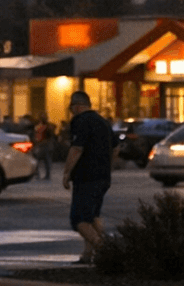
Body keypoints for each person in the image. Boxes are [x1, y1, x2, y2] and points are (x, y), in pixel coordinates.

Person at [61, 90, 116, 264]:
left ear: (76, 107)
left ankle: (104, 249)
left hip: (86, 177)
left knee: (78, 219)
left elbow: (77, 148)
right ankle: (87, 255)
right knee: (92, 216)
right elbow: (116, 148)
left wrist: (67, 172)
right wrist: (108, 166)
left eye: (71, 108)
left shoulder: (80, 121)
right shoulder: (103, 122)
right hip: (103, 177)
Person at [32, 114, 53, 180]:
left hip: (44, 145)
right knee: (43, 160)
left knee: (44, 160)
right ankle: (41, 174)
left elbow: (49, 136)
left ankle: (45, 175)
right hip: (41, 144)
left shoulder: (47, 126)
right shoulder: (40, 126)